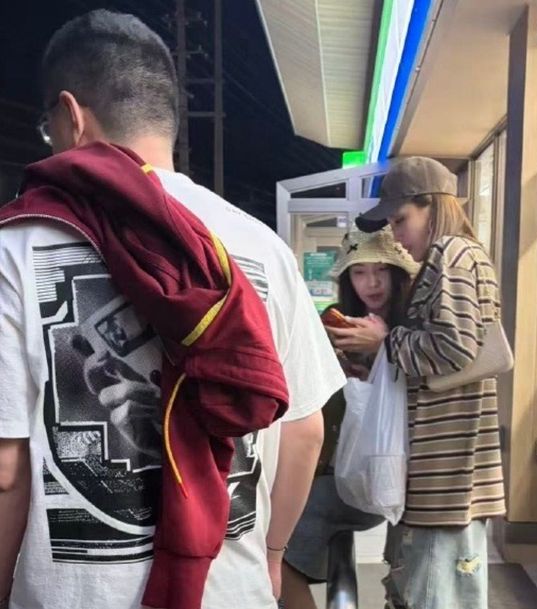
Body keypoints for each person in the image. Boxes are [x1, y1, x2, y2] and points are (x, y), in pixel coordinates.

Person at [0, 10, 345, 609]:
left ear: (71, 116)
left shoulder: (15, 247)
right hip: (229, 591)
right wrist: (271, 554)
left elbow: (6, 469)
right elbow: (305, 430)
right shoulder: (259, 246)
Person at [328, 156, 506, 609]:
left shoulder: (453, 253)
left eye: (401, 219)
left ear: (433, 205)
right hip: (446, 477)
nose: (397, 233)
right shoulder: (459, 255)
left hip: (447, 482)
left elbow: (455, 347)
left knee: (431, 596)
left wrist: (384, 341)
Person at [281, 227, 418, 609]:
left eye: (381, 270)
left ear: (398, 273)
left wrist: (382, 350)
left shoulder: (411, 326)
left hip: (387, 475)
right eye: (359, 272)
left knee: (276, 543)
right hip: (342, 468)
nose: (371, 283)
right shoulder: (333, 324)